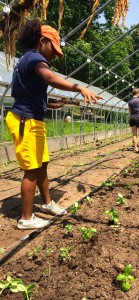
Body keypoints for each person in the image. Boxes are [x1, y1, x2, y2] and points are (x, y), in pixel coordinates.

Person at [5, 20, 103, 230]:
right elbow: (50, 78)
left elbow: (28, 92)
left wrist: (49, 104)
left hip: (32, 117)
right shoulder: (34, 57)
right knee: (31, 169)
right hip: (25, 119)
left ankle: (47, 203)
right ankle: (26, 218)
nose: (52, 56)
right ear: (42, 41)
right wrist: (79, 88)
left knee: (42, 164)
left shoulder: (27, 60)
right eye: (53, 50)